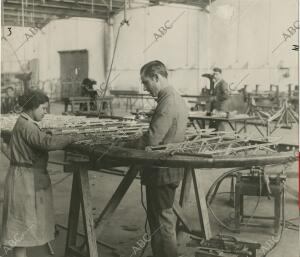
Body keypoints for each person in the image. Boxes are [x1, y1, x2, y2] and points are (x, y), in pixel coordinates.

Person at [1, 90, 82, 257]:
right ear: (32, 107)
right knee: (22, 224)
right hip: (24, 181)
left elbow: (39, 139)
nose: (46, 112)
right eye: (43, 108)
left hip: (27, 177)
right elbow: (45, 143)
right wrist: (70, 137)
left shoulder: (25, 122)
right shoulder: (27, 125)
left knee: (25, 225)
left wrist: (49, 134)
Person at [135, 60, 188, 257]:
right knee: (160, 219)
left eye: (146, 82)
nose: (145, 88)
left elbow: (153, 138)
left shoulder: (168, 101)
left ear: (157, 78)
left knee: (161, 221)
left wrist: (129, 143)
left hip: (162, 171)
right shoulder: (174, 98)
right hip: (168, 169)